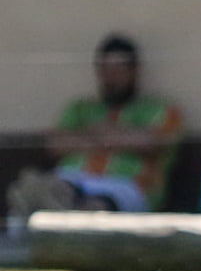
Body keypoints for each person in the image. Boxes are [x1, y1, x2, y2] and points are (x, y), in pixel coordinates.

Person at [6, 34, 182, 226]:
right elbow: (56, 144)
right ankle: (50, 211)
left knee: (93, 208)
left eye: (119, 69)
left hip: (126, 186)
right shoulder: (80, 108)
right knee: (46, 189)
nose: (111, 76)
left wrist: (88, 135)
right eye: (105, 68)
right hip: (72, 179)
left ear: (135, 71)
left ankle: (59, 219)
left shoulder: (160, 110)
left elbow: (153, 143)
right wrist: (118, 136)